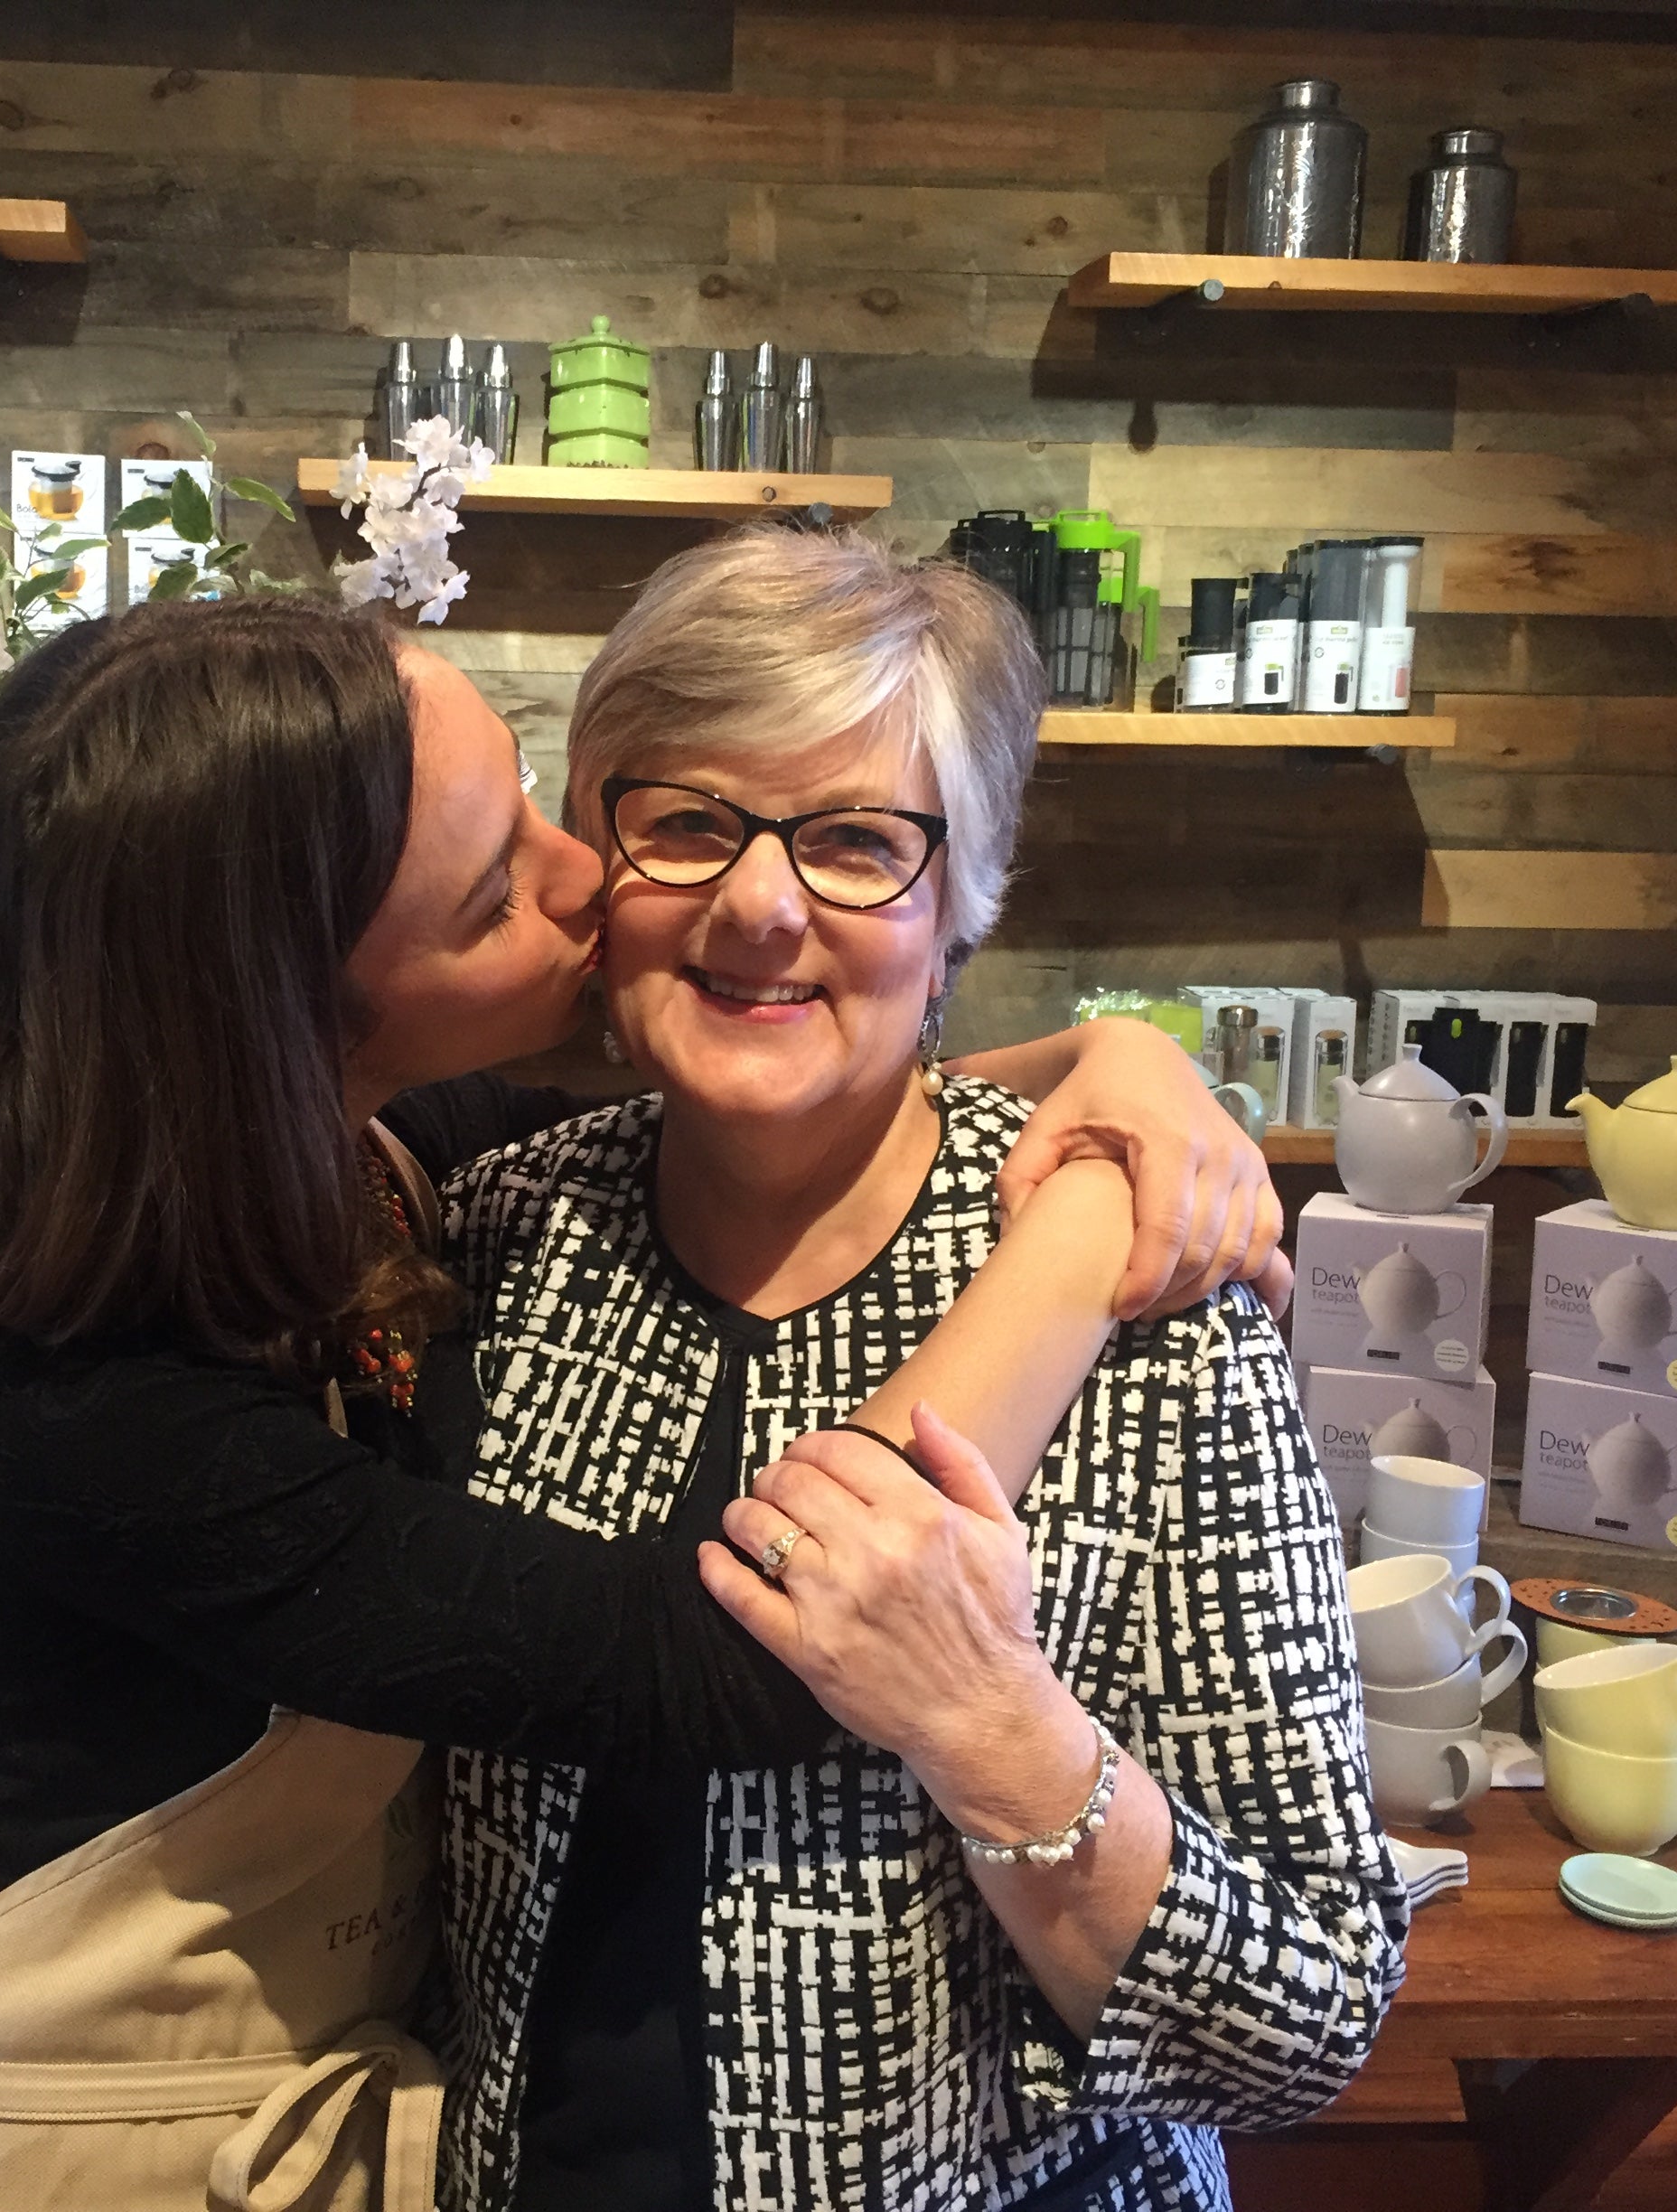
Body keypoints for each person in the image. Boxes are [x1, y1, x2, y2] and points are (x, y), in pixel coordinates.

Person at [0, 592, 1277, 2212]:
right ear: (298, 1016)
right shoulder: (142, 1394)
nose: (593, 875)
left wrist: (1116, 1070)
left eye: (860, 845)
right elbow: (737, 1648)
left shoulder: (377, 1164)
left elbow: (813, 1069)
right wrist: (1075, 1240)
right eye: (506, 880)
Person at [398, 530, 1402, 2209]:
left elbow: (1313, 2021)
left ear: (964, 901)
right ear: (603, 856)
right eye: (690, 822)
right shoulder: (493, 1240)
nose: (760, 904)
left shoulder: (1139, 1296)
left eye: (861, 842)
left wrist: (995, 1733)